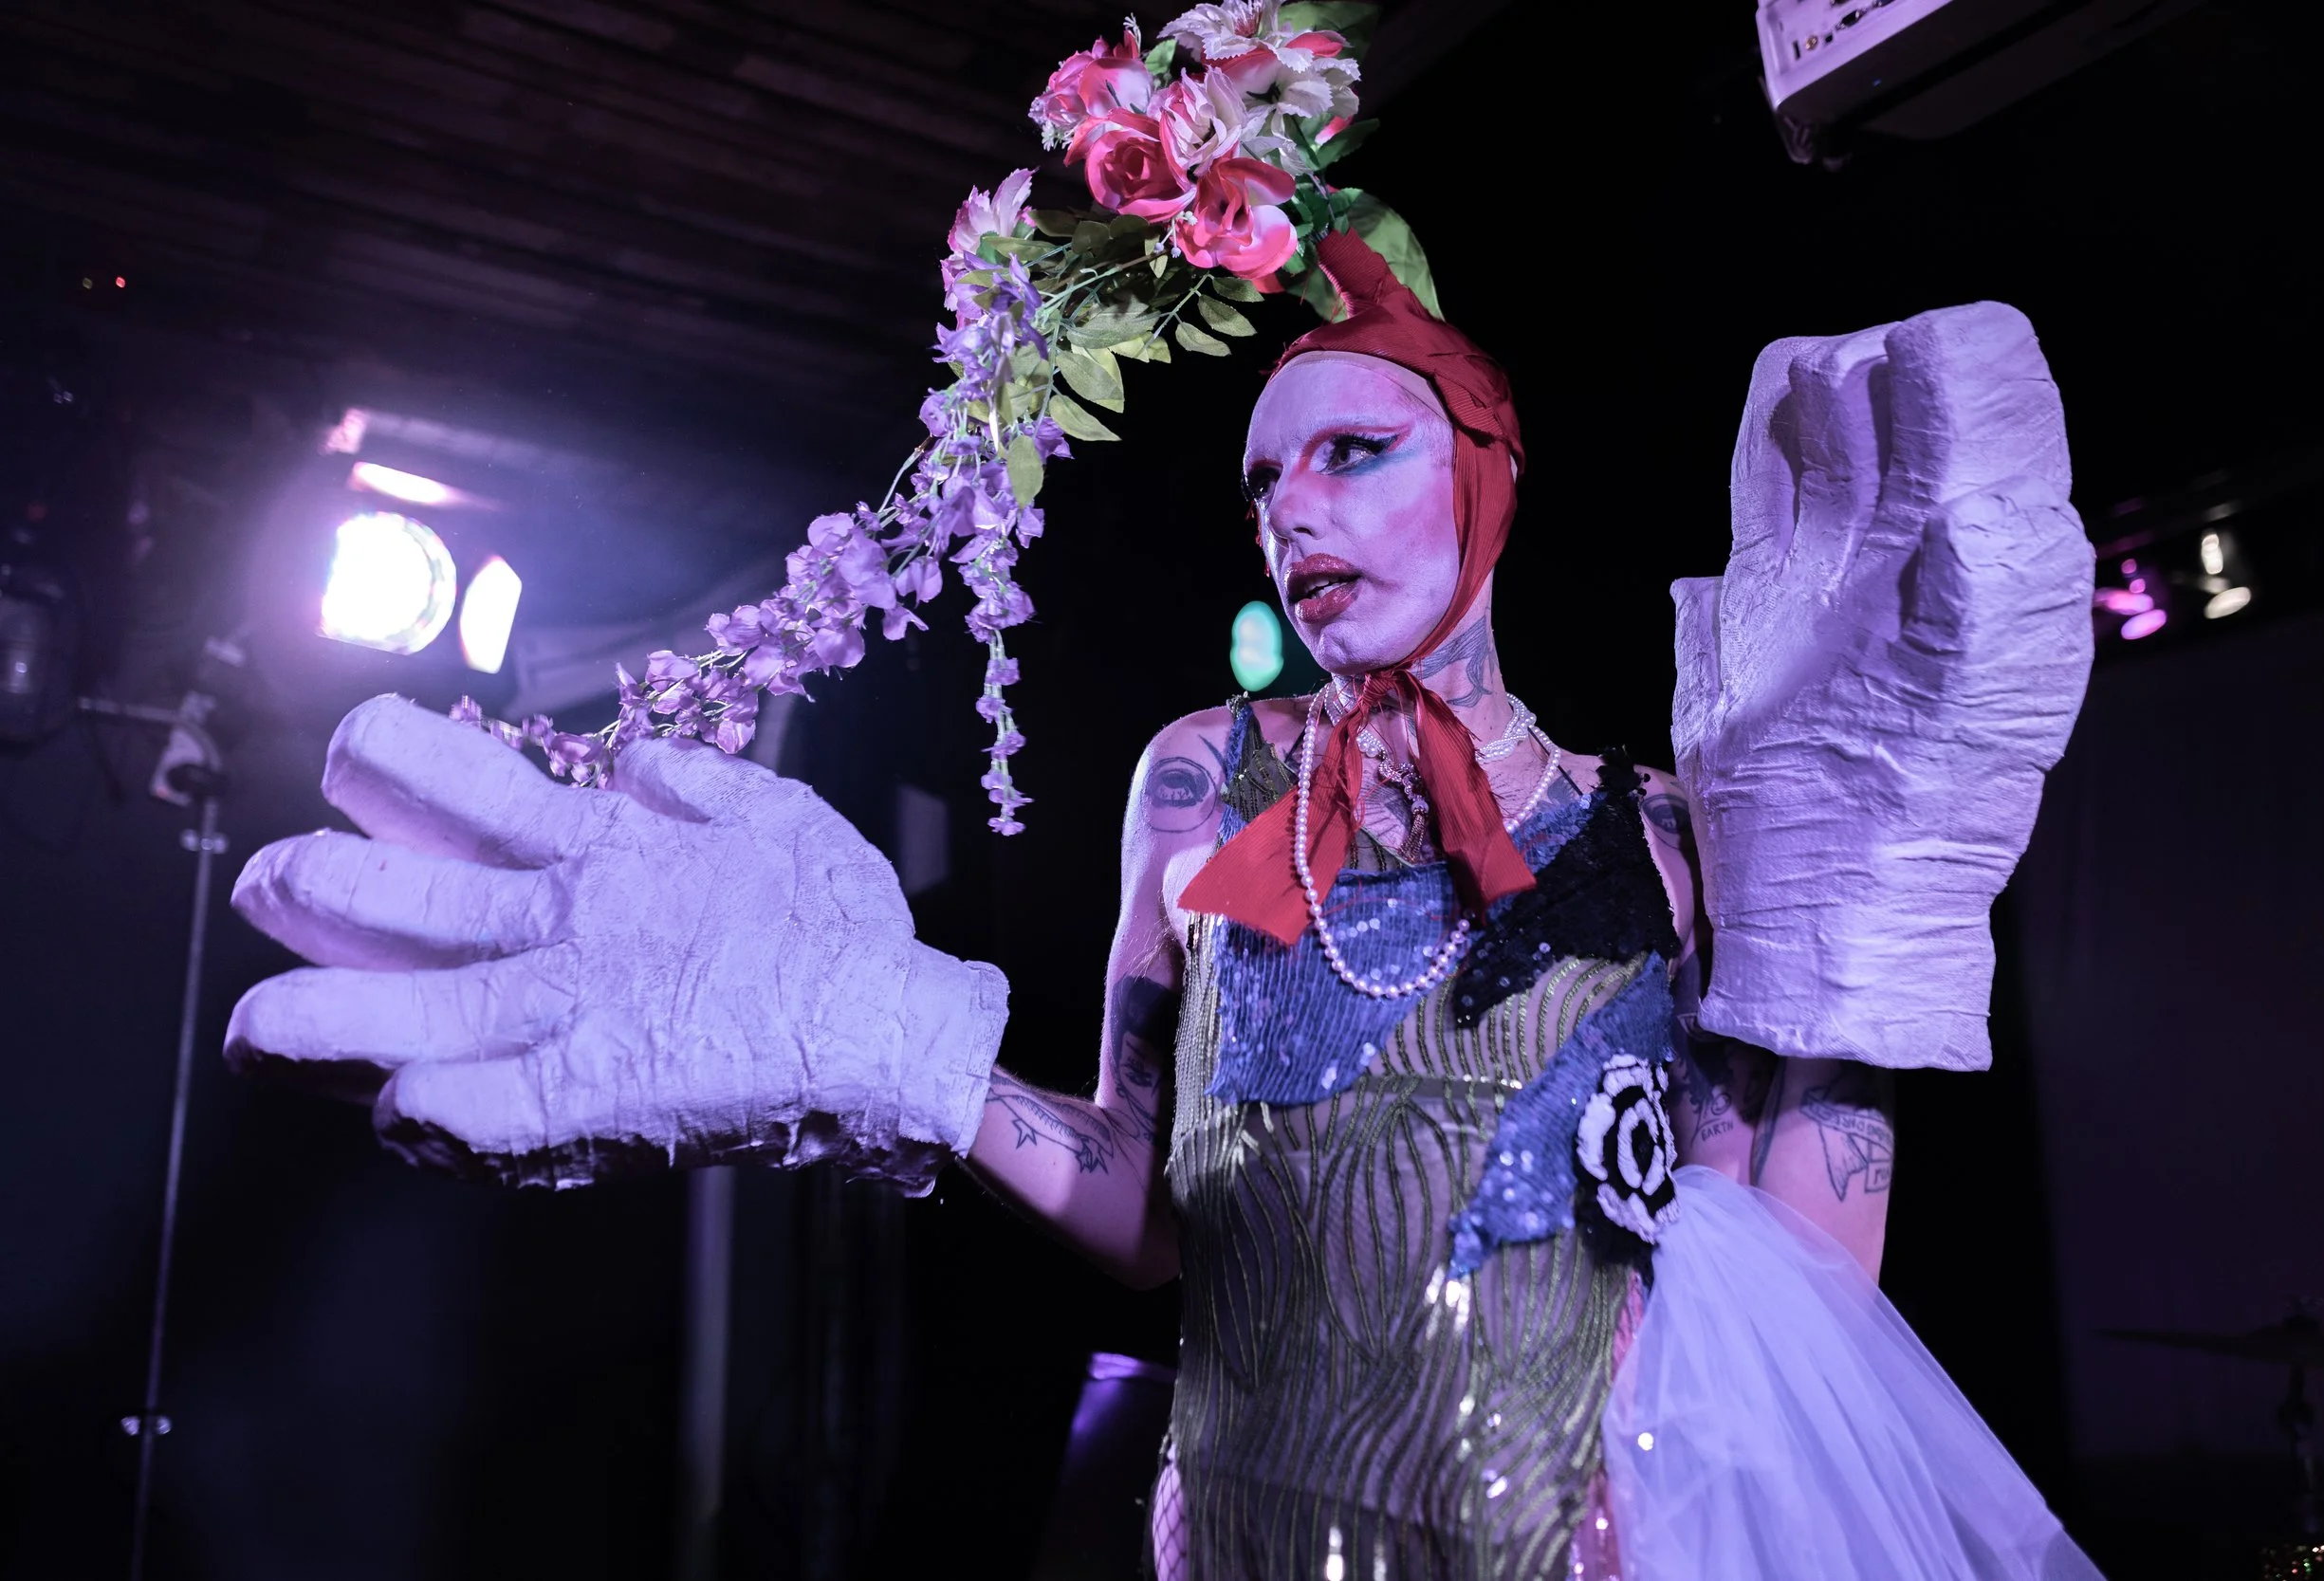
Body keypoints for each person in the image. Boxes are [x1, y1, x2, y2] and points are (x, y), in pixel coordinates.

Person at [226, 232, 2101, 1579]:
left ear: (1488, 472)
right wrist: (896, 1043)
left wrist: (1857, 987)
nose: (1292, 511)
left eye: (1348, 452)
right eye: (1262, 478)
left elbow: (1800, 1294)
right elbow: (1137, 1207)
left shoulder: (1659, 828)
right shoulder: (1204, 777)